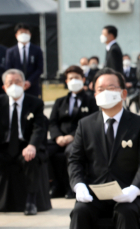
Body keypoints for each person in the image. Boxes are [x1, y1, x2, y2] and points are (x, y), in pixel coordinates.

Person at [67, 68, 140, 229]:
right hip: (95, 195)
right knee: (79, 211)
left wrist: (134, 189)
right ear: (95, 95)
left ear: (123, 93)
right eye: (100, 89)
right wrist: (79, 185)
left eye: (111, 88)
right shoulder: (85, 125)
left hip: (130, 195)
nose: (105, 93)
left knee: (125, 212)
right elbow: (75, 160)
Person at [0, 69, 46, 215]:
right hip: (2, 146)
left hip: (24, 145)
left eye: (18, 82)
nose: (14, 86)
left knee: (31, 159)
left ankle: (31, 202)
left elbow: (39, 128)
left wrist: (32, 145)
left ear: (25, 85)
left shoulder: (36, 103)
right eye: (10, 83)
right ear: (4, 87)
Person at [47, 65, 98, 199]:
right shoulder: (60, 101)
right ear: (66, 81)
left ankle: (72, 186)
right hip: (60, 138)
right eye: (70, 78)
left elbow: (92, 122)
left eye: (77, 78)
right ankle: (54, 184)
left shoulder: (91, 101)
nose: (74, 81)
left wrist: (72, 136)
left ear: (83, 79)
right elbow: (52, 122)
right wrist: (58, 137)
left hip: (79, 138)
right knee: (43, 150)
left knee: (71, 151)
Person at [5, 23, 44, 97]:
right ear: (16, 35)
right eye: (21, 32)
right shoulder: (10, 51)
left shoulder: (37, 50)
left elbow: (39, 69)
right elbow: (8, 69)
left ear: (30, 34)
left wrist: (29, 81)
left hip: (32, 86)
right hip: (16, 86)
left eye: (26, 32)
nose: (23, 34)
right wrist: (18, 81)